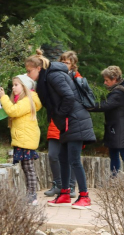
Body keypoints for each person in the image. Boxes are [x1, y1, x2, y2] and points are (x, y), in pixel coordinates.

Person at [25, 49, 96, 210]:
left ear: (38, 68)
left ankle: (84, 196)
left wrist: (60, 114)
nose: (28, 74)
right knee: (63, 158)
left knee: (74, 160)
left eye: (29, 71)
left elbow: (69, 97)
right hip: (66, 122)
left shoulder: (53, 75)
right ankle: (64, 193)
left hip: (75, 121)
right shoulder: (46, 78)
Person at [0, 74, 42, 205]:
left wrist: (3, 97)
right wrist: (2, 100)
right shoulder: (21, 100)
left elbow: (13, 111)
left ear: (25, 86)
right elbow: (12, 109)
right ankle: (30, 194)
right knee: (26, 167)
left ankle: (32, 196)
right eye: (13, 85)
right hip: (22, 138)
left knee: (28, 167)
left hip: (26, 139)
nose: (13, 87)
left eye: (16, 85)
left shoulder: (28, 100)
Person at [44, 51, 82, 198]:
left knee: (72, 157)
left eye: (67, 62)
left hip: (72, 122)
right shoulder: (54, 76)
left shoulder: (78, 79)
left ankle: (71, 186)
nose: (64, 64)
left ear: (73, 64)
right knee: (53, 155)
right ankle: (58, 184)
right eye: (63, 61)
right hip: (56, 122)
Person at [90, 65, 124, 175]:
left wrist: (88, 106)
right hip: (116, 127)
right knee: (114, 153)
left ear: (114, 79)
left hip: (120, 128)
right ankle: (114, 180)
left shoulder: (119, 93)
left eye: (106, 80)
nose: (105, 83)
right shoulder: (119, 91)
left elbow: (105, 105)